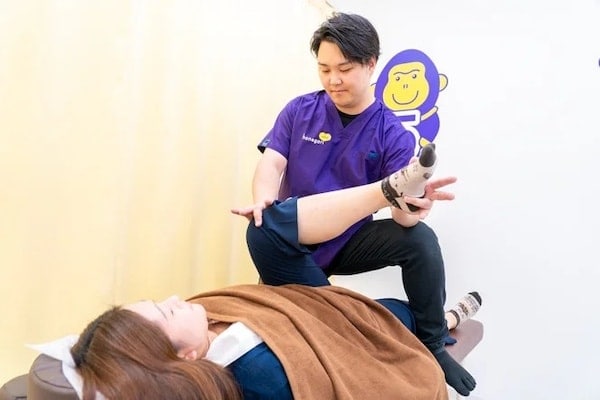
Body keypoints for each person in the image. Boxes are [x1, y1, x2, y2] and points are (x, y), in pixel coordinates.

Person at [231, 12, 477, 396]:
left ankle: (432, 341)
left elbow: (403, 221)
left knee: (420, 239)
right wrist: (263, 199)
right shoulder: (299, 111)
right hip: (294, 242)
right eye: (324, 69)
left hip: (348, 240)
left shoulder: (392, 134)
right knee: (262, 227)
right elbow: (272, 163)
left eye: (344, 69)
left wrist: (413, 205)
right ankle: (408, 320)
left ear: (371, 64)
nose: (333, 79)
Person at [73, 175, 481, 400]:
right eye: (167, 312)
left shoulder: (201, 321)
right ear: (185, 358)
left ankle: (386, 193)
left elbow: (406, 220)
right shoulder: (261, 378)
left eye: (344, 69)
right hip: (338, 318)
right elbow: (358, 373)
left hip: (320, 283)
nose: (176, 299)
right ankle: (441, 326)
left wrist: (404, 202)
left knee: (264, 226)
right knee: (396, 314)